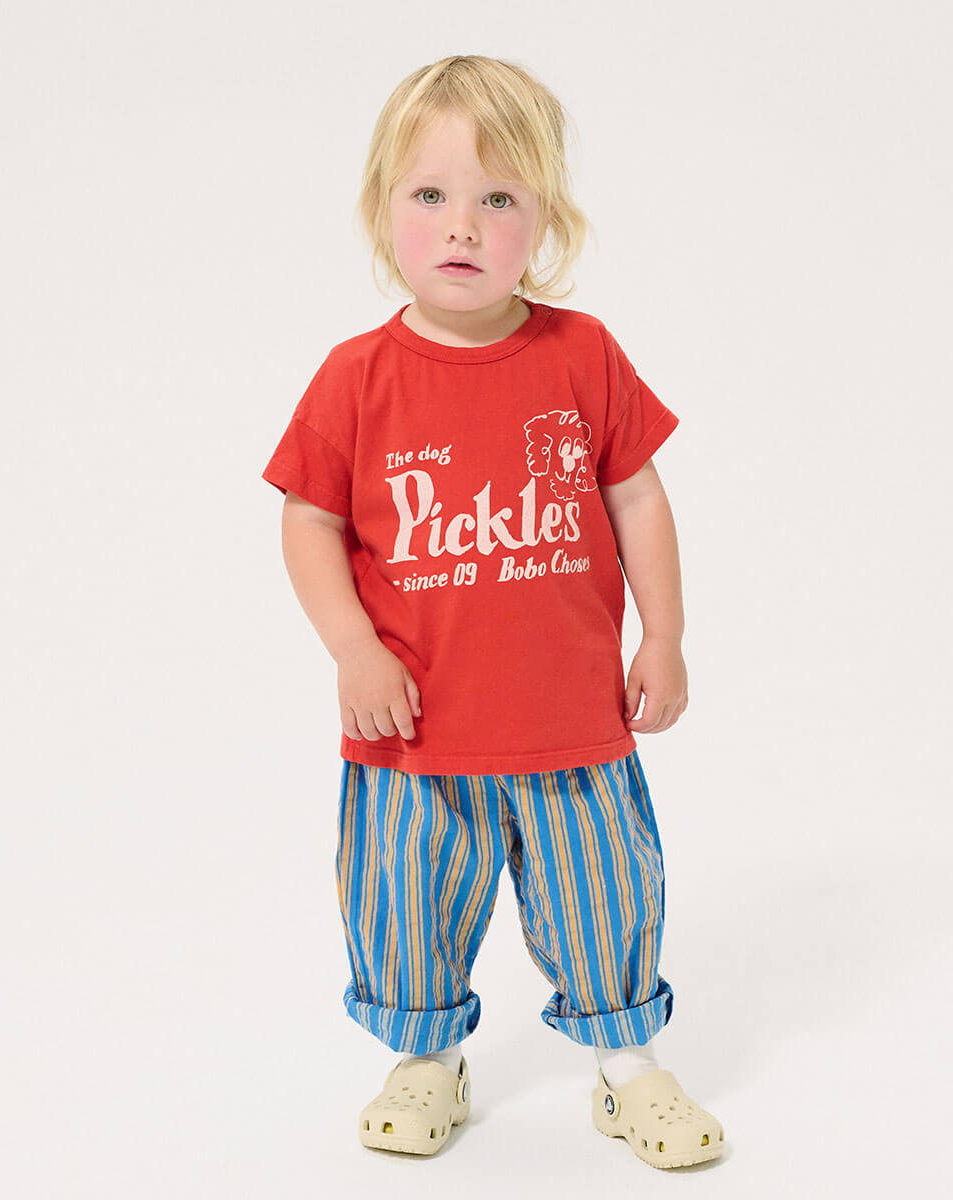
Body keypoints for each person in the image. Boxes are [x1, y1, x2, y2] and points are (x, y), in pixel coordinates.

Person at [261, 54, 725, 1170]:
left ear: (545, 219)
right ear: (384, 210)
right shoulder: (357, 376)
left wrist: (663, 636)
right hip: (412, 732)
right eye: (430, 195)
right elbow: (308, 519)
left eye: (498, 198)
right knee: (405, 907)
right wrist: (354, 649)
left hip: (572, 722)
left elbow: (637, 495)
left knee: (605, 897)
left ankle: (627, 1065)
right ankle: (428, 1060)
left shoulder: (581, 354)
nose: (462, 225)